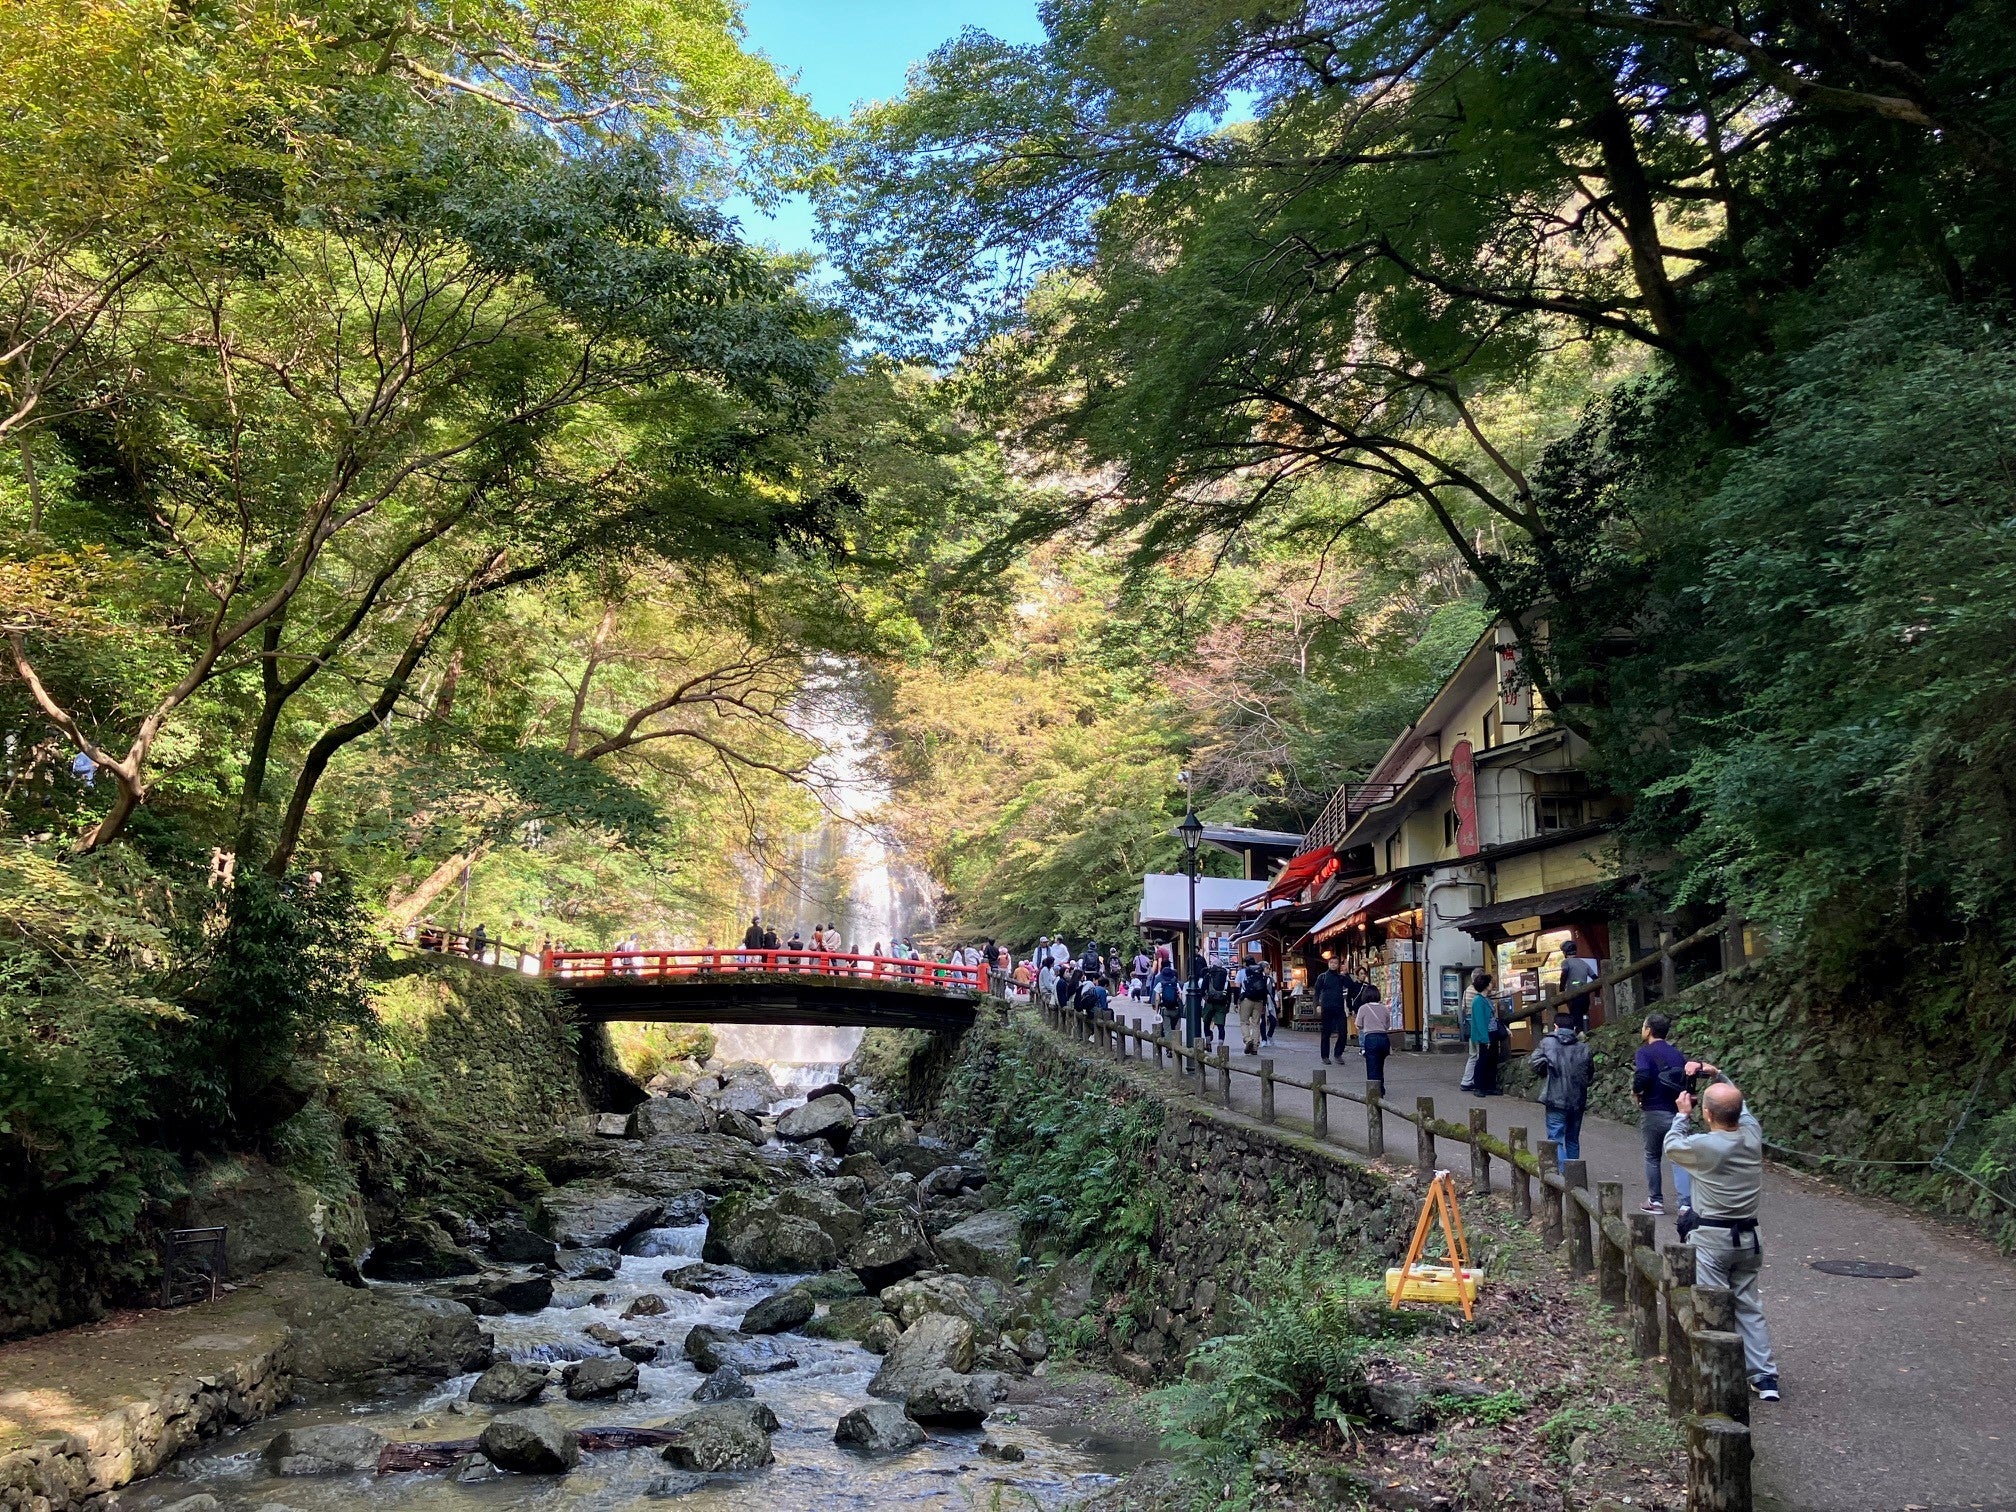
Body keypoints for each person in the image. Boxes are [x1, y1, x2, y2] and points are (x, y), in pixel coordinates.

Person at [1666, 1066, 1780, 1401]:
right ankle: (1765, 1377)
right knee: (1748, 1306)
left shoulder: (1705, 1147)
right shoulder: (1752, 1136)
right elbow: (1740, 1107)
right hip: (1749, 1239)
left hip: (1713, 1239)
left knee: (1715, 1306)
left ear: (1707, 1114)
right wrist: (1718, 1074)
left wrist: (1681, 1115)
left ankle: (1719, 1377)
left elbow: (1672, 1146)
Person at [1634, 1013, 1695, 1215]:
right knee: (1678, 1157)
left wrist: (1636, 1091)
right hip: (1676, 1111)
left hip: (1652, 1110)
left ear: (1649, 1030)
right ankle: (1685, 1204)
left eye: (1644, 1026)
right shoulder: (1677, 1054)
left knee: (1652, 1155)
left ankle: (1656, 1201)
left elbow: (1642, 1074)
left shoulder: (1644, 1052)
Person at [1527, 1018, 1593, 1164]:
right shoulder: (1583, 1047)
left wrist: (1547, 1070)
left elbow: (1534, 1063)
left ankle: (1562, 1175)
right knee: (1573, 1139)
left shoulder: (1547, 1043)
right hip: (1577, 1099)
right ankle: (1575, 1175)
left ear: (1555, 1026)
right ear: (1574, 1028)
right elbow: (1589, 1074)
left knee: (1555, 1138)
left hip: (1555, 1097)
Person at [1467, 970, 1501, 1095]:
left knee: (1492, 1060)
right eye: (1490, 983)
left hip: (1492, 1032)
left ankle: (1490, 1086)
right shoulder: (1478, 1001)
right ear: (1486, 985)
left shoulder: (1485, 999)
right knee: (1482, 1061)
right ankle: (1479, 1086)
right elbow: (1480, 1022)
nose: (1492, 985)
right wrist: (1485, 1039)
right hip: (1485, 1035)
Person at [1355, 989, 1392, 1094]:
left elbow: (1359, 1024)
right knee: (1380, 1065)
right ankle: (1381, 1088)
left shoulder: (1363, 1008)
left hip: (1371, 1038)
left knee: (1372, 1066)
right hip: (1384, 1039)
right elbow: (1387, 1026)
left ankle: (1374, 1092)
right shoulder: (1384, 1009)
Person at [1314, 961, 1350, 1064]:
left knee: (1343, 1031)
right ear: (1329, 964)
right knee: (1326, 1032)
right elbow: (1317, 992)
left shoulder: (1340, 977)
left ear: (1338, 965)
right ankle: (1324, 1056)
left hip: (1339, 1008)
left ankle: (1338, 1053)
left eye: (1335, 963)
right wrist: (1317, 1005)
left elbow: (1350, 986)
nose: (1333, 965)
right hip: (1326, 1007)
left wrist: (1346, 974)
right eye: (1331, 963)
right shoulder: (1323, 977)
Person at [1235, 959, 1270, 1055]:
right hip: (1259, 1001)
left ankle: (1248, 1039)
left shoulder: (1243, 972)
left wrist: (1236, 1002)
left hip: (1246, 999)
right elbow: (1265, 991)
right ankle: (1255, 1047)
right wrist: (1264, 1004)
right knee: (1256, 1024)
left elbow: (1237, 987)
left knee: (1244, 1022)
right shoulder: (1261, 975)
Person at [1152, 959, 1183, 1035]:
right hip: (1175, 1009)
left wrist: (1157, 1010)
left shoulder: (1160, 984)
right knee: (1175, 1029)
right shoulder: (1175, 984)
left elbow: (1157, 999)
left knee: (1167, 1029)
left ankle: (1168, 1045)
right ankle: (1176, 1044)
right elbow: (1180, 996)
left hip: (1165, 1009)